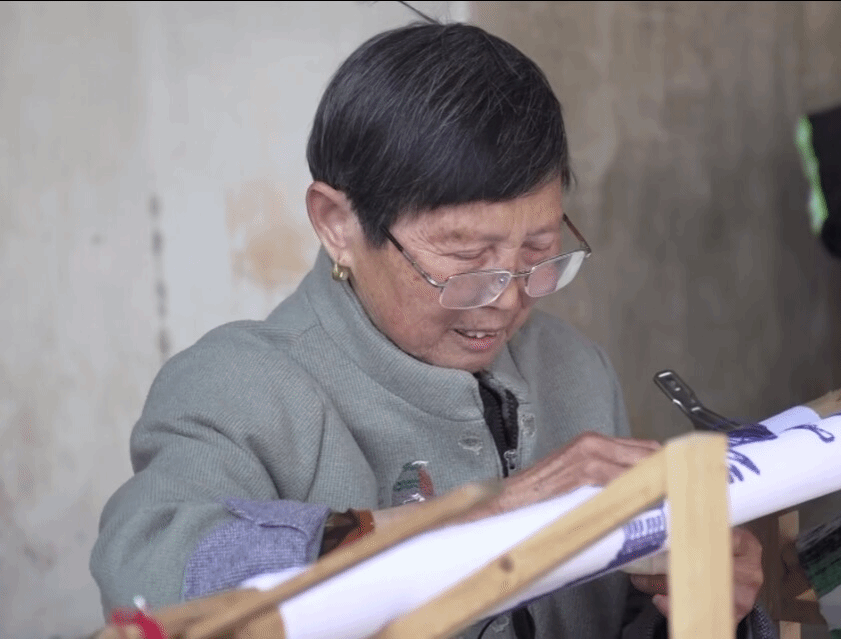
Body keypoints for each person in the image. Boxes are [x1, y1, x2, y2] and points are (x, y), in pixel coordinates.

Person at [90, 21, 764, 638]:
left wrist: (701, 603)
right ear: (338, 225)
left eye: (539, 250)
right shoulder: (239, 386)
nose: (507, 299)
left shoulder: (572, 368)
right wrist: (481, 519)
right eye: (466, 258)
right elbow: (149, 580)